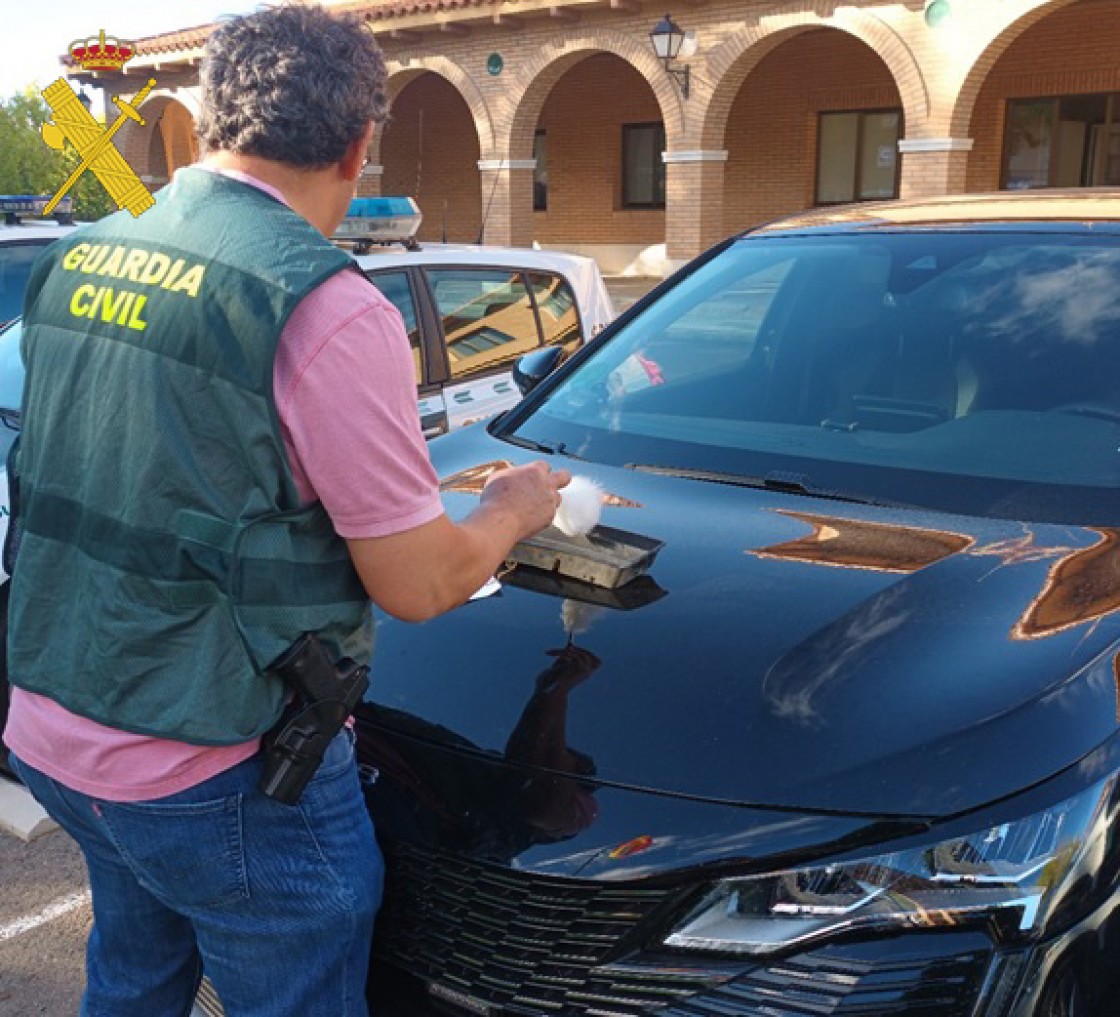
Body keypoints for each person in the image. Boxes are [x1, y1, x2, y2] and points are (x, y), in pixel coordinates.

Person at [2, 5, 568, 1016]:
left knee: (133, 975)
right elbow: (421, 583)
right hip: (207, 766)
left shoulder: (84, 253)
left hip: (52, 724)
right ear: (358, 149)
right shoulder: (323, 303)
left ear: (215, 124)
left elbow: (169, 469)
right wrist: (514, 512)